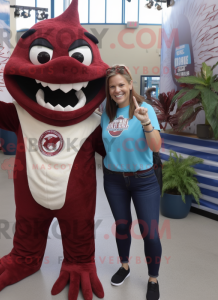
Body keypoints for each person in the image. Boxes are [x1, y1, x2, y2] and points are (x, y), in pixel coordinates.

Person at [100, 64, 162, 300]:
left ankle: (153, 278)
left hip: (144, 180)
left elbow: (156, 146)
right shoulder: (107, 113)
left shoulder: (144, 109)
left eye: (121, 85)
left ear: (130, 84)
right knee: (122, 226)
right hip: (114, 180)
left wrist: (145, 122)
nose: (117, 90)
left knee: (151, 233)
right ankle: (124, 266)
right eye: (113, 86)